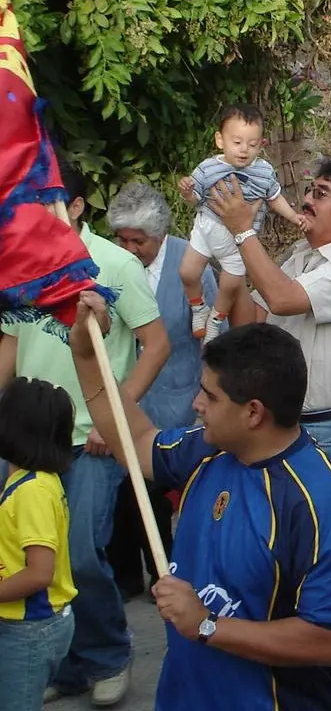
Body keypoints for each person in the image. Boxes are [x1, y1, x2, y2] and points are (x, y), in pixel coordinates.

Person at [65, 295, 331, 708]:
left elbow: (330, 641)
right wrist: (87, 356)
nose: (197, 404)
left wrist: (208, 625)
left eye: (210, 396)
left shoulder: (319, 501)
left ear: (253, 413)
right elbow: (135, 440)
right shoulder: (209, 449)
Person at [206, 154, 331, 694]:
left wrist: (244, 231)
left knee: (322, 552)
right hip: (291, 427)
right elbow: (260, 318)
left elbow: (284, 298)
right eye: (310, 189)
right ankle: (301, 653)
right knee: (286, 548)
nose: (306, 199)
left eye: (321, 192)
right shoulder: (301, 255)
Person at [0, 155, 169, 708]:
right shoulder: (19, 263)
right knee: (29, 555)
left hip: (89, 440)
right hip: (26, 438)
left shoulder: (114, 264)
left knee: (79, 555)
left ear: (74, 206)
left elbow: (156, 345)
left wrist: (113, 417)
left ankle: (107, 656)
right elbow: (10, 343)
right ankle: (64, 664)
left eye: (40, 202)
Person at [105, 182, 217, 598]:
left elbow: (212, 337)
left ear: (160, 234)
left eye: (139, 241)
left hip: (178, 398)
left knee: (166, 491)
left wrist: (207, 395)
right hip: (129, 396)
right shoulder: (110, 265)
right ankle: (128, 576)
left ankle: (170, 571)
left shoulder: (191, 264)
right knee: (125, 490)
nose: (130, 248)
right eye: (123, 239)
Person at [177, 104, 303, 343]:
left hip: (239, 239)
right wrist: (187, 193)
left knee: (230, 284)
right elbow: (195, 199)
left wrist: (293, 216)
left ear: (261, 144)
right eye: (237, 142)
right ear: (220, 140)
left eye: (252, 144)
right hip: (207, 228)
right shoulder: (208, 168)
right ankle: (198, 307)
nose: (244, 149)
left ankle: (216, 319)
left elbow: (274, 197)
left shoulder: (264, 172)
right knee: (187, 272)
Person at [0, 378, 77, 711]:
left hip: (29, 628)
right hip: (24, 624)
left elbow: (39, 573)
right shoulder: (30, 480)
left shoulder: (32, 490)